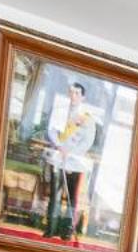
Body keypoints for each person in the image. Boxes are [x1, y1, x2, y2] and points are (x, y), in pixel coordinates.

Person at [42, 81, 101, 242]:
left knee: (72, 197)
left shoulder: (87, 117)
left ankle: (67, 231)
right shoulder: (60, 111)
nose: (73, 96)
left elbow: (88, 140)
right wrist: (60, 146)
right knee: (55, 194)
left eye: (77, 93)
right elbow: (51, 130)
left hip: (75, 162)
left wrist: (71, 152)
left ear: (83, 97)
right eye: (71, 92)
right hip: (58, 158)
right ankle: (50, 229)